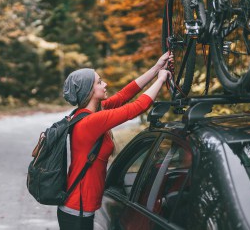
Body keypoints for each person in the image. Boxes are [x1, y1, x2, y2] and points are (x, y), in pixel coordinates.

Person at [57, 52, 173, 230]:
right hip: (77, 209)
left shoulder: (93, 113)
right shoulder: (90, 122)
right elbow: (135, 107)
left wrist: (157, 67)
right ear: (89, 91)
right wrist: (160, 80)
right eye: (99, 82)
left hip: (81, 206)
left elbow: (125, 94)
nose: (105, 84)